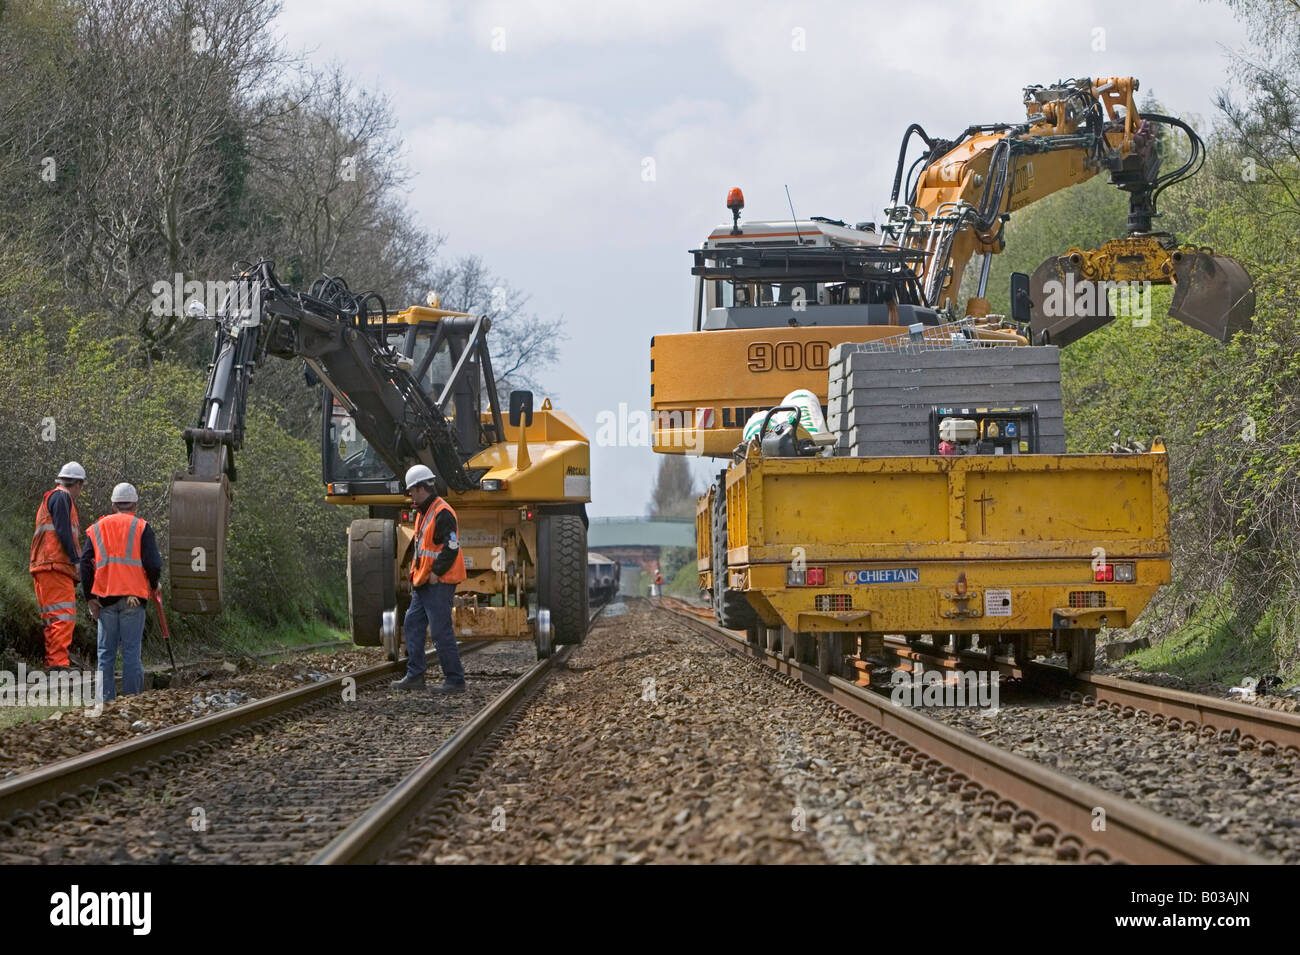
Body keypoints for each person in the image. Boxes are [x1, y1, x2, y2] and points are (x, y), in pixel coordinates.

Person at [81, 483, 162, 701]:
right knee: (131, 653)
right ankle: (132, 701)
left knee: (105, 655)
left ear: (113, 504)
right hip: (133, 601)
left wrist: (89, 597)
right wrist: (154, 585)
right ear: (134, 504)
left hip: (105, 600)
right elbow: (153, 565)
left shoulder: (98, 527)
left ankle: (105, 703)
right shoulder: (141, 527)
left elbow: (85, 564)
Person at [391, 464, 468, 694]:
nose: (410, 495)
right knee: (413, 623)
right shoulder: (424, 512)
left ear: (421, 488)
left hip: (438, 582)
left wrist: (436, 572)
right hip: (423, 582)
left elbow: (452, 546)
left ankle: (455, 680)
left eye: (412, 490)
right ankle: (415, 676)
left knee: (439, 631)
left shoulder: (442, 512)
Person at [30, 462, 86, 670]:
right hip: (55, 566)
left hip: (46, 565)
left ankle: (54, 663)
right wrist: (75, 560)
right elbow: (63, 531)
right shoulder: (62, 497)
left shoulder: (54, 498)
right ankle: (58, 665)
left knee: (54, 618)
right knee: (63, 617)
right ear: (78, 484)